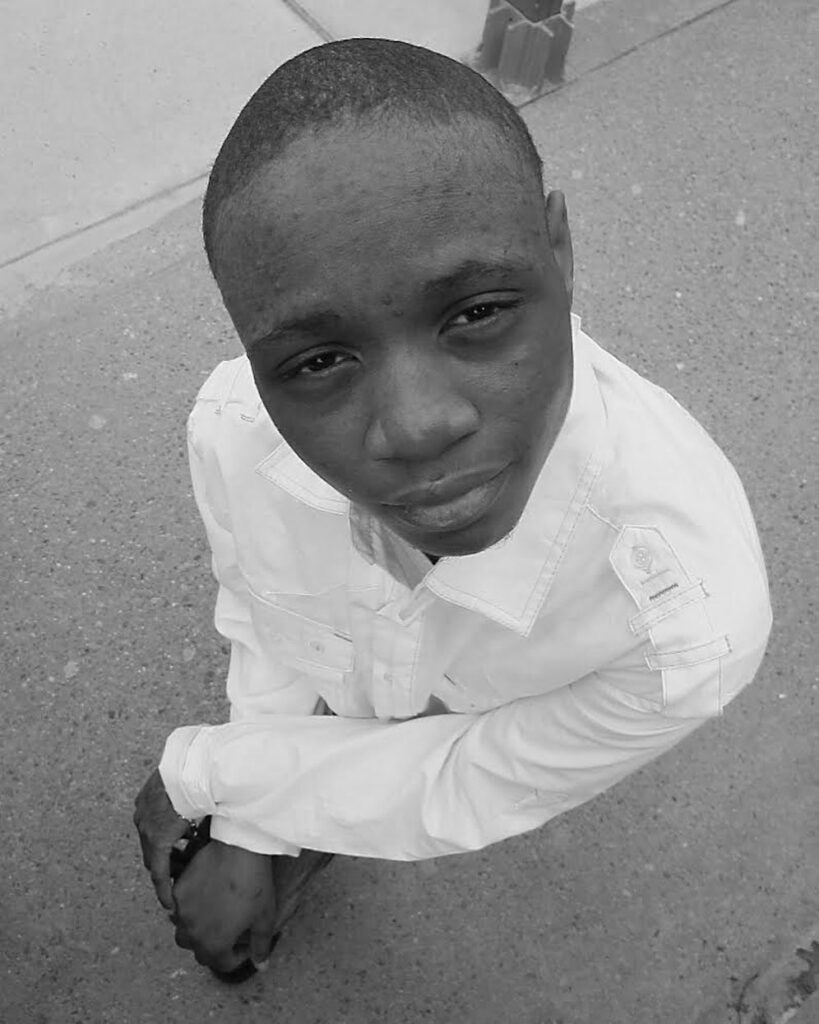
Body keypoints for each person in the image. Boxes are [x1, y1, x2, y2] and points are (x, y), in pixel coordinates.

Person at [133, 37, 773, 978]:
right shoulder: (236, 425)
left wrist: (204, 785)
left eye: (474, 312)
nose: (418, 427)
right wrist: (251, 825)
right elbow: (269, 624)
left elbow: (461, 778)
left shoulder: (684, 628)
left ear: (558, 249)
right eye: (318, 362)